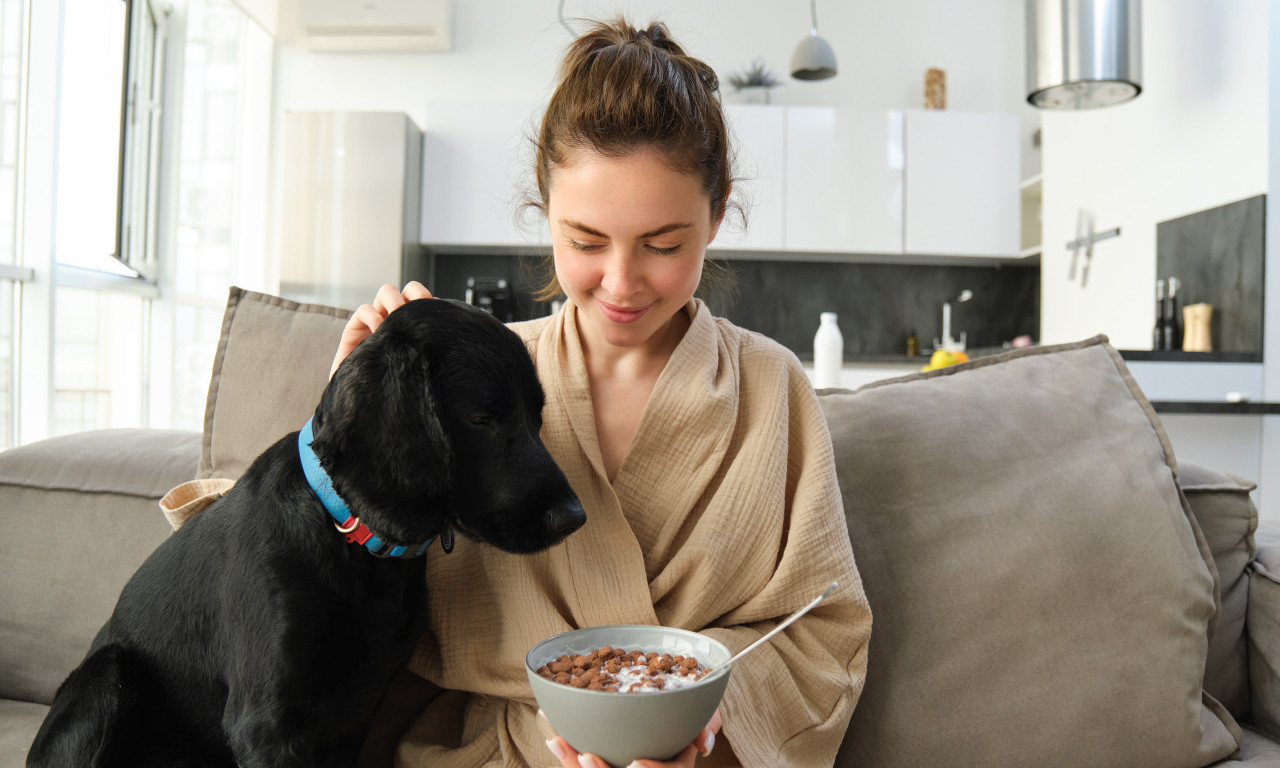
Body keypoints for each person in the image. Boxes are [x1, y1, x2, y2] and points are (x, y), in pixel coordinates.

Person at [333, 17, 870, 768]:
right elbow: (331, 593)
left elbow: (821, 627)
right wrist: (356, 432)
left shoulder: (770, 387)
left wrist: (698, 729)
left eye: (663, 244)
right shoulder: (467, 385)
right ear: (544, 212)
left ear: (717, 214)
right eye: (585, 241)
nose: (621, 283)